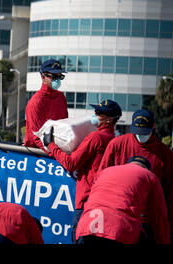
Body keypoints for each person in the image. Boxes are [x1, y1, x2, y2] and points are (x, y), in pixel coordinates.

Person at [42, 99, 122, 243]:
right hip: (104, 203)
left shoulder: (95, 137)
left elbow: (71, 163)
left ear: (110, 120)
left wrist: (51, 145)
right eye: (96, 111)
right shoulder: (114, 140)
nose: (95, 114)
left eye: (99, 113)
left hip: (86, 201)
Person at [98, 109, 173, 234]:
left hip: (148, 220)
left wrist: (166, 221)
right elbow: (100, 178)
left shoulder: (165, 154)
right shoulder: (117, 145)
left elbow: (169, 190)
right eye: (137, 132)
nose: (140, 136)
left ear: (153, 126)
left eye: (144, 132)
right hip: (118, 214)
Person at [76, 156, 170, 244]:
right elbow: (160, 217)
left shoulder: (105, 171)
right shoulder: (150, 177)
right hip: (119, 230)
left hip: (87, 226)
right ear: (146, 168)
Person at [24, 58, 68, 151]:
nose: (58, 81)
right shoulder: (35, 102)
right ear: (43, 77)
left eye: (60, 77)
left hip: (56, 150)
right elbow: (37, 137)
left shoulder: (61, 97)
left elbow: (65, 126)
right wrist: (57, 154)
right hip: (36, 153)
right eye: (54, 77)